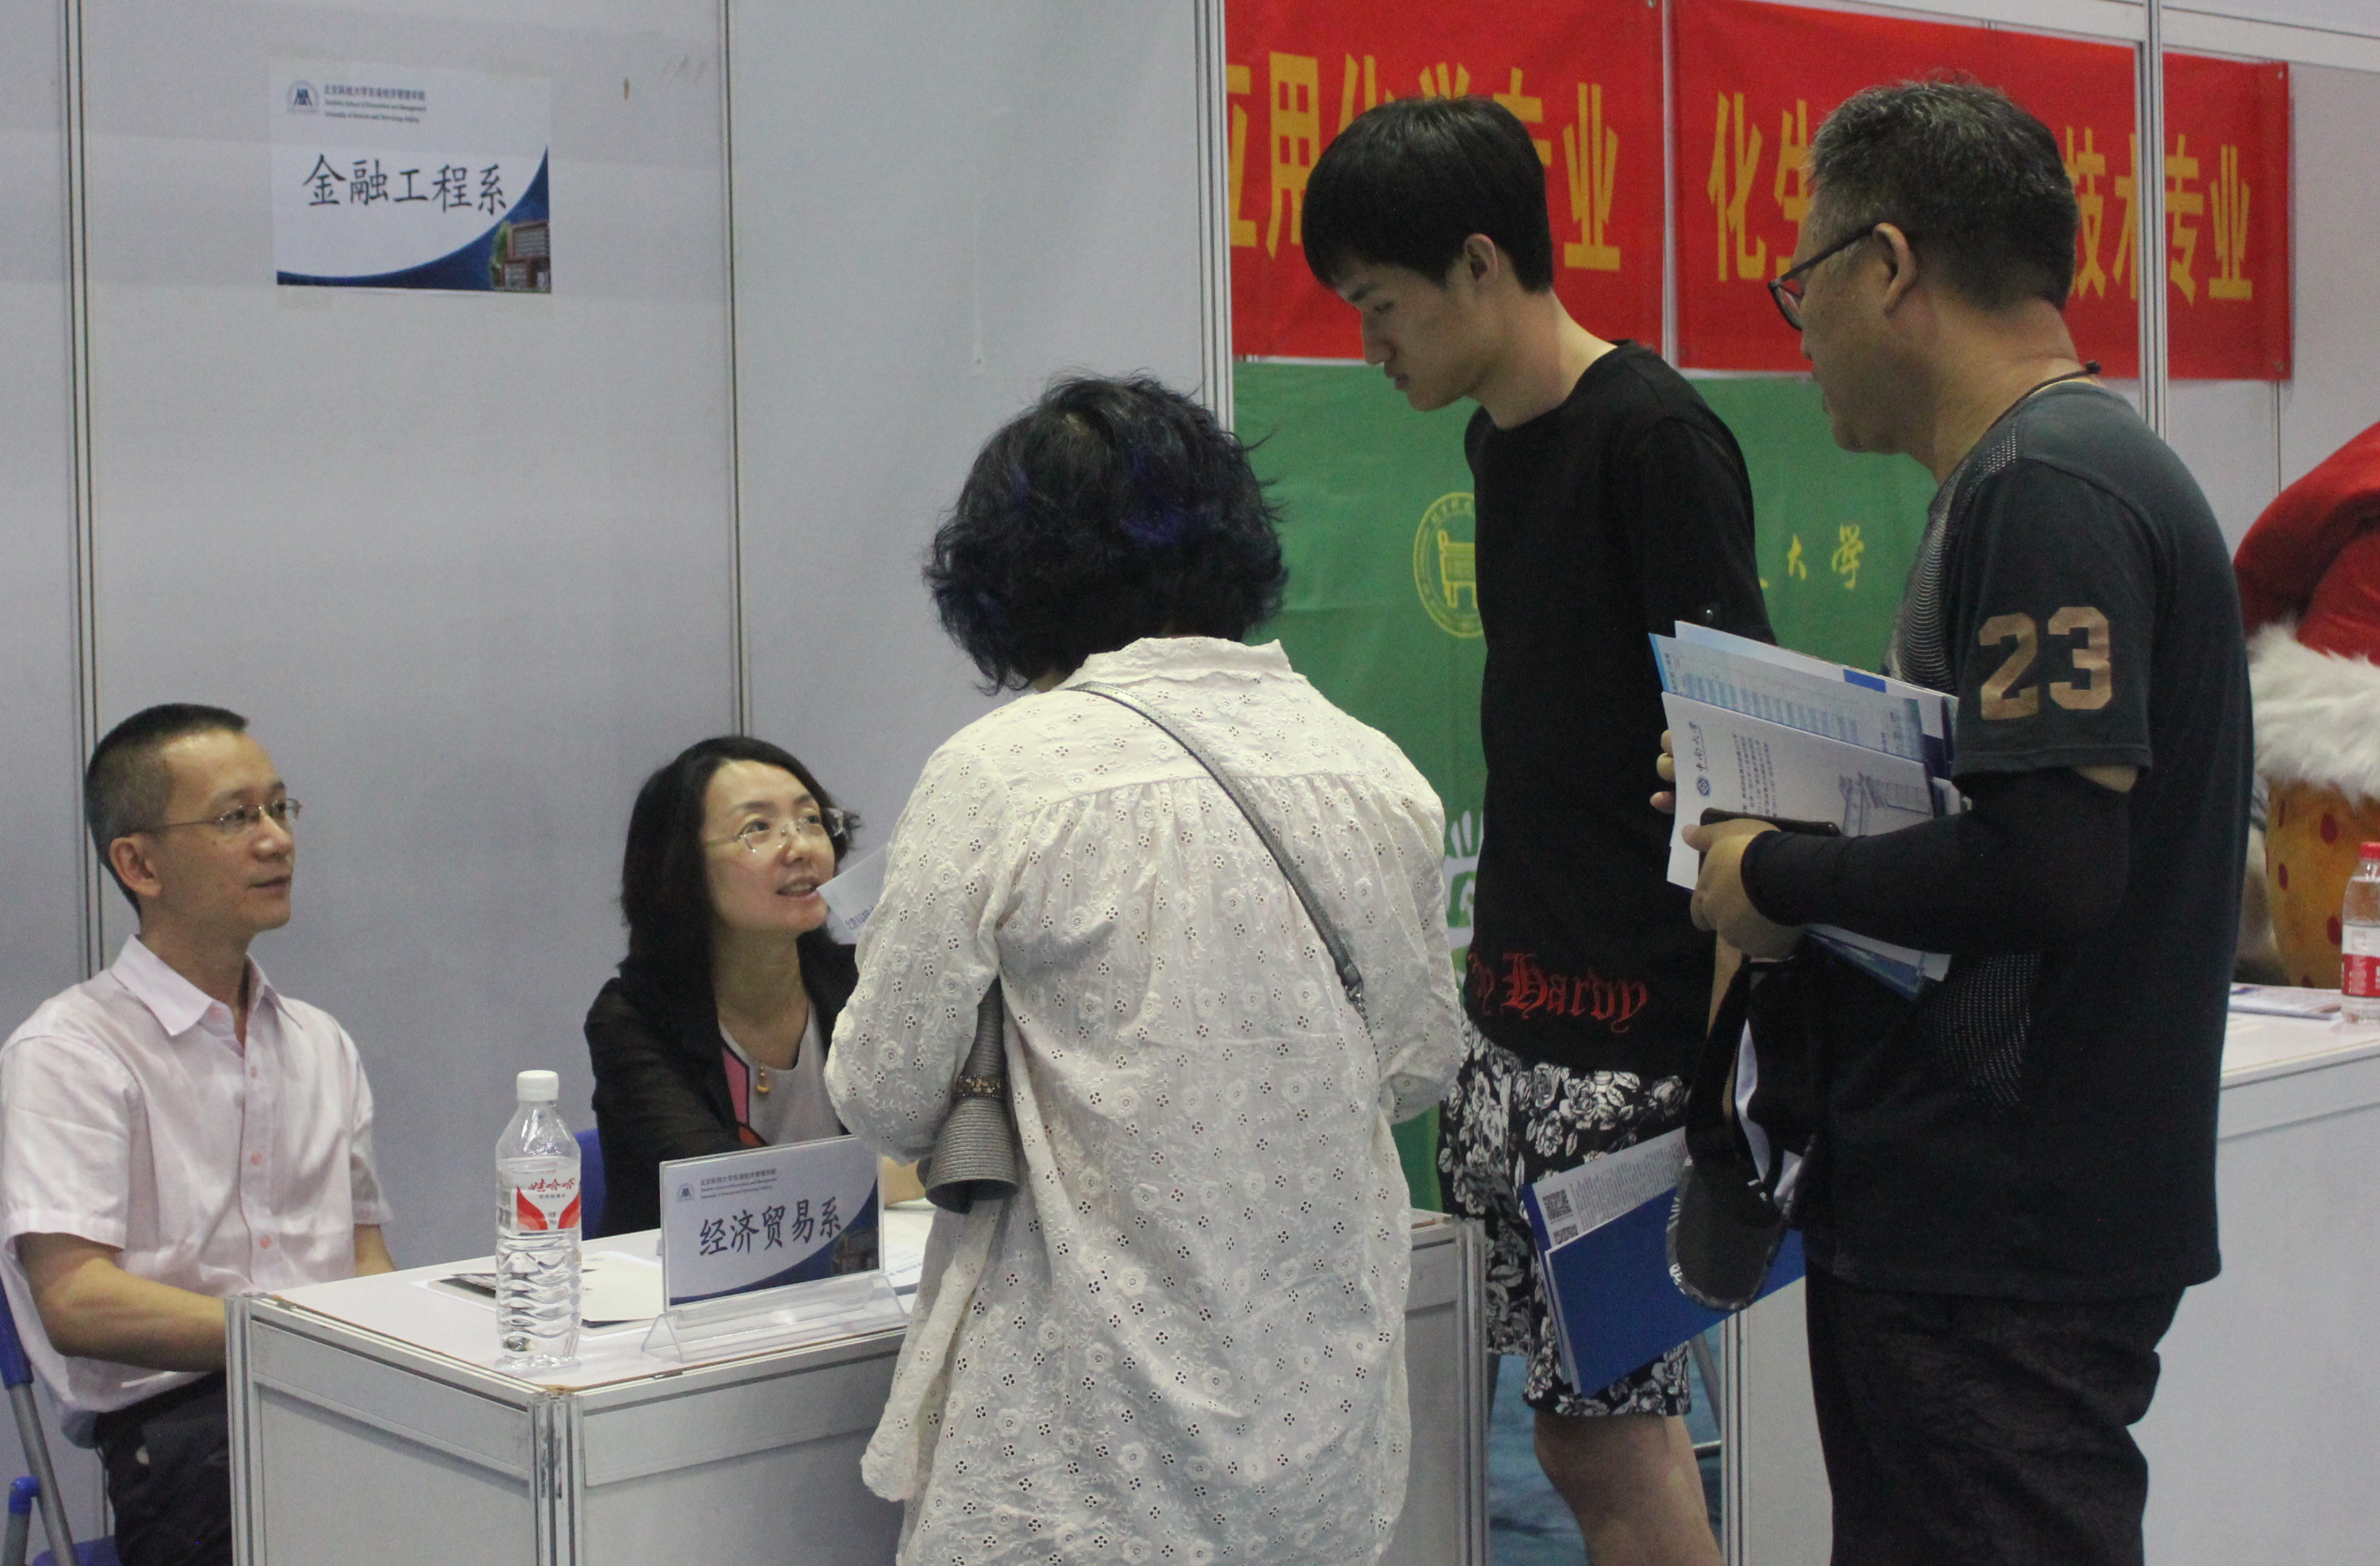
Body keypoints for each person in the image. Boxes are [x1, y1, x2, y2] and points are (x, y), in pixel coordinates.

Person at [1679, 79, 2250, 1565]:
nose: (1799, 328)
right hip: (1991, 1213)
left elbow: (2049, 864)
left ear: (1887, 266)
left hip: (2003, 1226)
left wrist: (1774, 871)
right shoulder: (2042, 473)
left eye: (1802, 281)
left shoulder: (2045, 487)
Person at [827, 375, 1463, 1566]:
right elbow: (1420, 1064)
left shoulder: (1004, 774)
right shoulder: (1373, 770)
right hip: (1320, 1436)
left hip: (1074, 1449)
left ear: (1007, 577)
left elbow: (883, 1092)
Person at [1301, 95, 1770, 1566]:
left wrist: (1720, 1076)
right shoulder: (1500, 447)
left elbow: (1746, 760)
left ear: (1480, 262)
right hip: (1518, 1021)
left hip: (1633, 1036)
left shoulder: (1655, 438)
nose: (1371, 346)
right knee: (1574, 1434)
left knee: (1607, 1438)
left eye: (1381, 305)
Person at [0, 705, 392, 1566]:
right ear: (139, 864)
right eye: (236, 818)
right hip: (186, 1429)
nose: (276, 840)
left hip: (336, 1389)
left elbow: (365, 1259)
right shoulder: (70, 1053)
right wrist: (287, 1335)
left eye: (280, 808)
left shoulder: (320, 1042)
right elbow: (78, 1301)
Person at [585, 735, 861, 1235]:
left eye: (811, 820)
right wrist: (884, 1178)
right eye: (758, 828)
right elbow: (722, 1192)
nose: (801, 848)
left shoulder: (864, 984)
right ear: (681, 865)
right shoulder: (635, 1018)